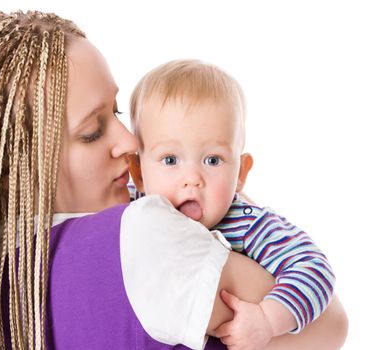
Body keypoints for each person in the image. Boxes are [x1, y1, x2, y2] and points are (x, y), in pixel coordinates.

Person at [0, 11, 347, 350]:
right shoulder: (145, 232)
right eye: (92, 131)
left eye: (117, 112)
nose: (131, 141)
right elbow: (331, 325)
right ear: (12, 172)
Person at [127, 59, 338, 348]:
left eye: (212, 160)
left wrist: (267, 318)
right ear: (138, 173)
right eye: (170, 160)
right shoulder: (132, 207)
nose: (192, 178)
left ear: (240, 173)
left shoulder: (249, 224)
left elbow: (314, 269)